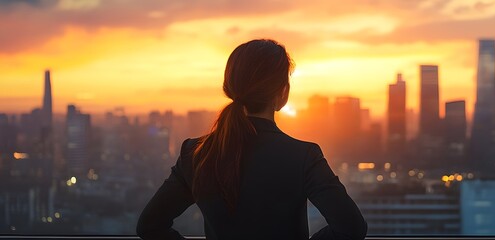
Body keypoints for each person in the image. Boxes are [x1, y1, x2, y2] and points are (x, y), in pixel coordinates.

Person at [136, 39, 367, 240]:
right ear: (283, 93)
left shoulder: (195, 153)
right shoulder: (303, 156)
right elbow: (351, 228)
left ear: (229, 87)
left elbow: (150, 226)